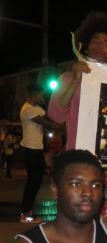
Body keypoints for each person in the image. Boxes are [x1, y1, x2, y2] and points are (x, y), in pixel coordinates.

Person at [48, 11, 107, 150]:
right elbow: (55, 115)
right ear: (85, 47)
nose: (100, 45)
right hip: (77, 153)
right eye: (95, 40)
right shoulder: (67, 78)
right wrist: (75, 81)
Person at [19, 83, 63, 223]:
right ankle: (25, 214)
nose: (42, 97)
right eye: (40, 94)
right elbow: (46, 123)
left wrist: (61, 122)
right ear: (34, 95)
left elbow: (50, 118)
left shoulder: (36, 108)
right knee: (33, 182)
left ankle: (28, 212)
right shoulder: (27, 109)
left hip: (36, 149)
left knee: (36, 181)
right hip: (30, 150)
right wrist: (62, 129)